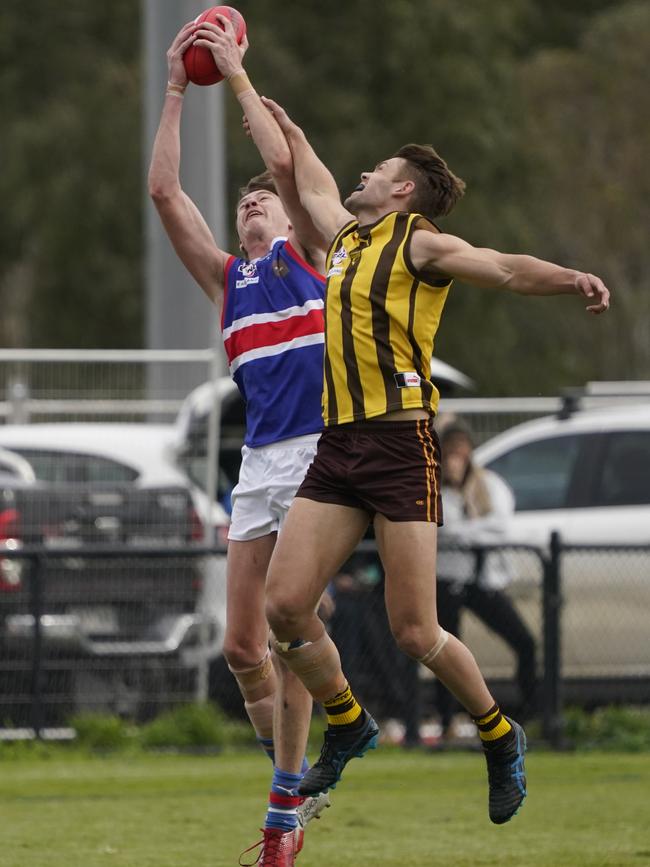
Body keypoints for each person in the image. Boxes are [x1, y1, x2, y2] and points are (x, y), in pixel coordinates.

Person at [253, 97, 610, 827]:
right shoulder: (349, 236)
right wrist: (240, 79)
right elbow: (307, 174)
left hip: (399, 447)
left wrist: (572, 277)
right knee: (283, 607)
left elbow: (506, 268)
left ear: (404, 189)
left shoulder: (420, 243)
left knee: (415, 630)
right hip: (339, 445)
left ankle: (498, 733)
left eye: (379, 169)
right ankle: (349, 721)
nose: (364, 172)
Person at [148, 18, 331, 865]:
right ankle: (294, 776)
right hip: (260, 462)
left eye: (262, 196)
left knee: (294, 636)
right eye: (244, 197)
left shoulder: (307, 256)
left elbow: (293, 172)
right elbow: (163, 195)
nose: (253, 199)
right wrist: (180, 91)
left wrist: (238, 74)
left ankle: (287, 807)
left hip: (318, 456)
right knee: (239, 646)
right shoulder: (230, 280)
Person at [435, 417, 537, 739]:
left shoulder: (488, 484)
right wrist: (474, 530)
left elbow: (501, 526)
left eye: (461, 450)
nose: (456, 458)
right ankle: (446, 721)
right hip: (448, 581)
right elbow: (444, 530)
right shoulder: (435, 488)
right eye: (449, 451)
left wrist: (467, 525)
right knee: (444, 653)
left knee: (524, 642)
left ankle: (529, 713)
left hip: (483, 582)